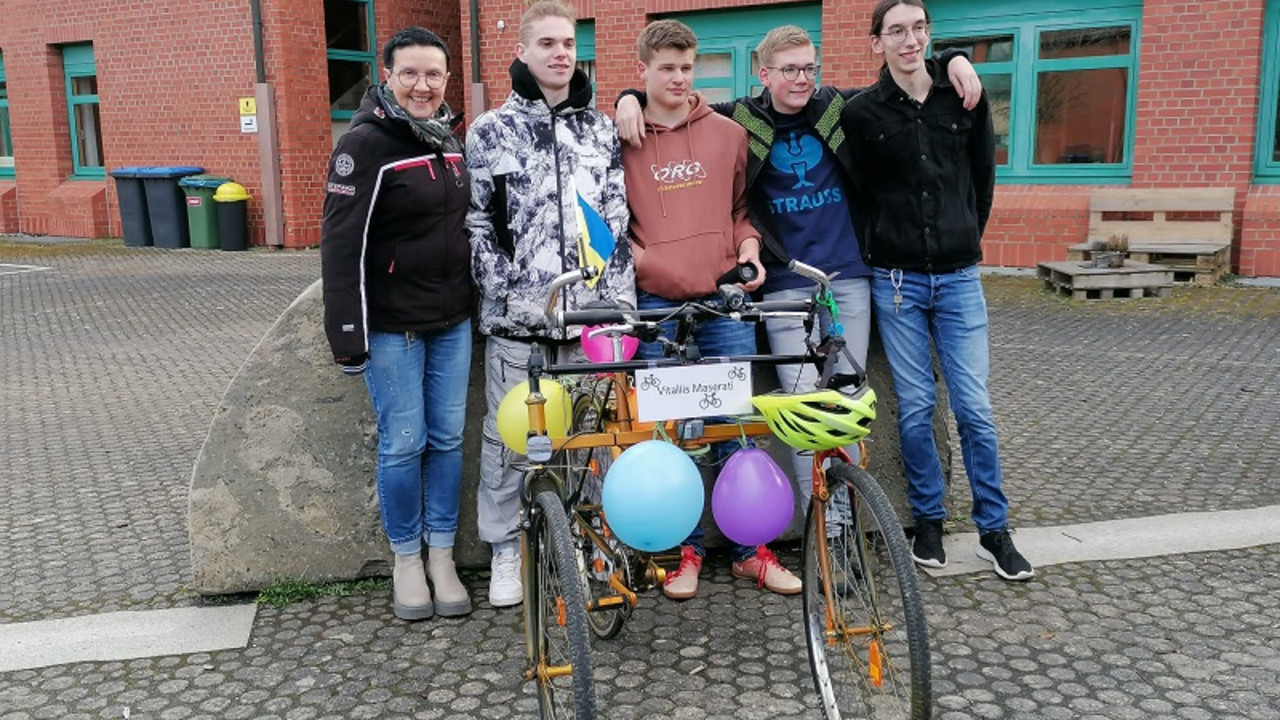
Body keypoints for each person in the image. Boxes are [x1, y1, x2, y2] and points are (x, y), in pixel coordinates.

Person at [613, 28, 982, 511]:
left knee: (847, 404)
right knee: (800, 408)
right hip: (783, 284)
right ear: (763, 75)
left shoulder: (836, 109)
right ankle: (821, 528)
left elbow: (895, 84)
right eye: (789, 69)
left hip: (847, 276)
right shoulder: (739, 119)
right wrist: (628, 98)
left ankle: (847, 527)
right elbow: (676, 106)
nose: (801, 78)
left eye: (809, 67)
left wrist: (951, 58)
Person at [841, 0, 1035, 581]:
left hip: (959, 279)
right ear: (877, 42)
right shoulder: (860, 113)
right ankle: (928, 520)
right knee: (918, 408)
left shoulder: (963, 98)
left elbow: (983, 178)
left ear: (929, 34)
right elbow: (854, 189)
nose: (909, 41)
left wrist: (963, 239)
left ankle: (994, 531)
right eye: (895, 31)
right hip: (895, 283)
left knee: (974, 408)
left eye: (919, 30)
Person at [619, 19, 802, 600]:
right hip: (654, 307)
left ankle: (751, 551)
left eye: (686, 67)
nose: (678, 78)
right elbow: (606, 224)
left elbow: (741, 210)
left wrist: (748, 249)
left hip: (723, 301)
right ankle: (682, 552)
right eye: (666, 67)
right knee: (664, 435)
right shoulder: (618, 136)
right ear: (641, 70)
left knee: (737, 428)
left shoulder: (727, 133)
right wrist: (653, 266)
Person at [466, 0, 635, 609]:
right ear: (523, 52)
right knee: (513, 440)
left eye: (568, 43)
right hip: (521, 322)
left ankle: (592, 543)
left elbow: (615, 217)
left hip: (592, 318)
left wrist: (616, 305)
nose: (561, 54)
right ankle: (507, 549)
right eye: (548, 44)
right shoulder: (490, 131)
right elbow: (479, 225)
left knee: (593, 439)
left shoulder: (599, 128)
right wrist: (510, 294)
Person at [320, 27, 475, 621]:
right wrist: (348, 337)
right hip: (392, 329)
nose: (422, 85)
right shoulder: (363, 145)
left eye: (434, 75)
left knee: (448, 439)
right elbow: (340, 248)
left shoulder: (448, 140)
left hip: (453, 321)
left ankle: (442, 555)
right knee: (403, 444)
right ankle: (406, 559)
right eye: (409, 73)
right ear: (386, 76)